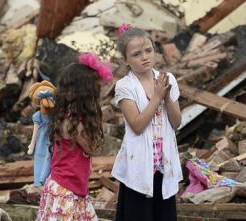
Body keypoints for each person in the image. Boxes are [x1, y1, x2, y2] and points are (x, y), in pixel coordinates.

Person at [111, 23, 183, 221]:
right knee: (139, 215)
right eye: (136, 54)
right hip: (139, 164)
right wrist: (157, 97)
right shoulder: (125, 86)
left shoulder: (167, 79)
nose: (145, 57)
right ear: (125, 59)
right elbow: (137, 125)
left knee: (163, 215)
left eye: (149, 50)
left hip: (163, 162)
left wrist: (167, 97)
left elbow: (176, 122)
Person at [36, 52, 113, 221]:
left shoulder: (66, 116)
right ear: (86, 93)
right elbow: (93, 148)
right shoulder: (76, 124)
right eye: (96, 90)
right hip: (66, 190)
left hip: (69, 187)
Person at [27, 80, 57, 187]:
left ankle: (50, 179)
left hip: (54, 136)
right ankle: (40, 180)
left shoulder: (55, 113)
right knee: (41, 156)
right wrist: (32, 144)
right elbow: (35, 131)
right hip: (43, 138)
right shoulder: (38, 115)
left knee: (52, 157)